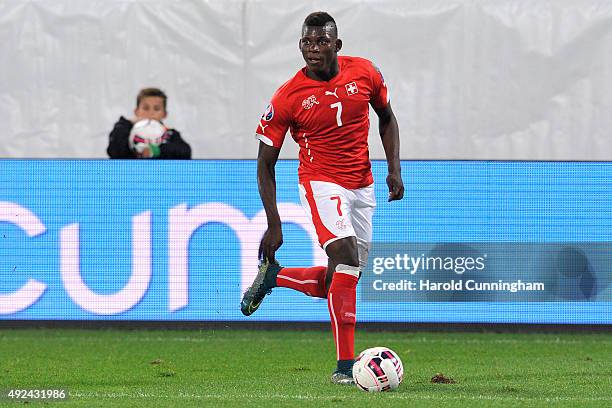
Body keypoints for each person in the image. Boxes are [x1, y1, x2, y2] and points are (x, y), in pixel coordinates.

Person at [240, 11, 404, 385]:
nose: (314, 49)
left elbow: (387, 117)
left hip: (362, 184)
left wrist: (394, 168)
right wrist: (274, 221)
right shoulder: (287, 97)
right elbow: (266, 164)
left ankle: (275, 279)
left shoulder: (365, 72)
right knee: (345, 256)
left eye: (322, 42)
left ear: (337, 45)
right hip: (320, 182)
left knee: (342, 278)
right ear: (301, 45)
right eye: (307, 42)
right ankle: (345, 368)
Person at [107, 87, 192, 159]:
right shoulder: (126, 131)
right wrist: (126, 123)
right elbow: (114, 151)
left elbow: (185, 152)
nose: (151, 113)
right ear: (136, 111)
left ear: (164, 114)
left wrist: (155, 151)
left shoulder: (170, 134)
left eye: (157, 109)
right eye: (145, 108)